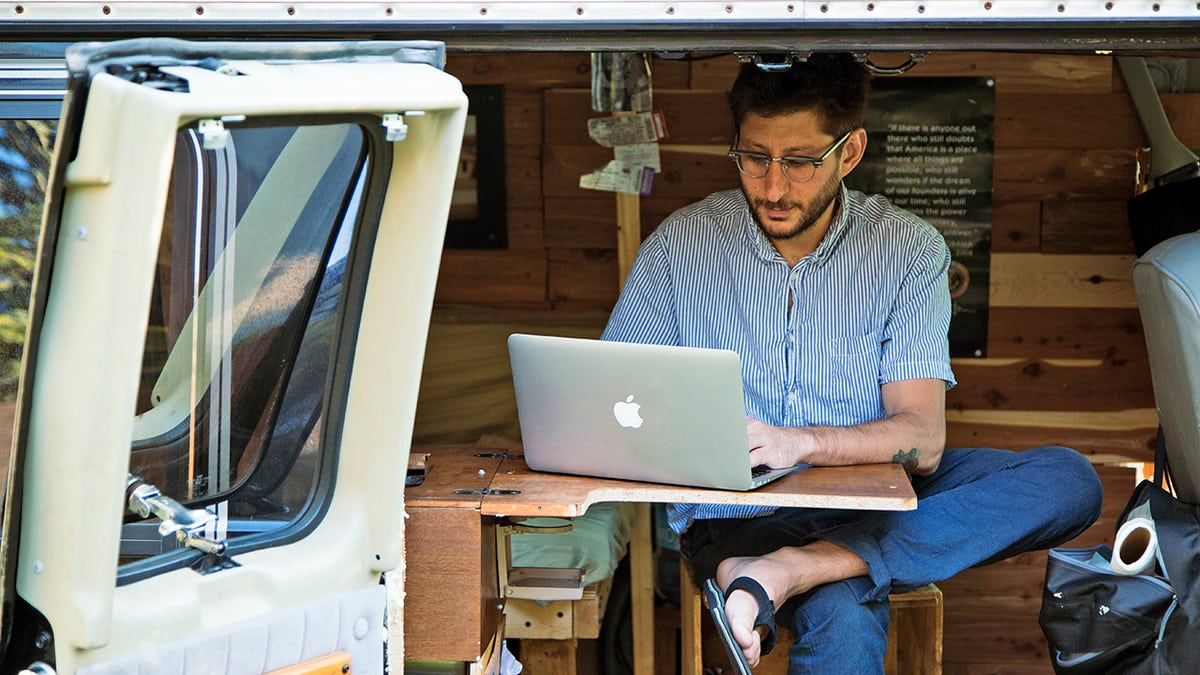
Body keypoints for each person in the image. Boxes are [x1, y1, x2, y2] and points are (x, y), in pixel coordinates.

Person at [600, 53, 1104, 673]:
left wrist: (797, 443)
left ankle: (793, 568)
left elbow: (922, 442)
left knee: (1069, 481)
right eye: (755, 158)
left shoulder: (908, 247)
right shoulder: (679, 245)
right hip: (737, 514)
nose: (774, 187)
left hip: (875, 500)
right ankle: (783, 567)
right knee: (841, 612)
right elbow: (613, 408)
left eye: (801, 162)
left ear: (851, 150)